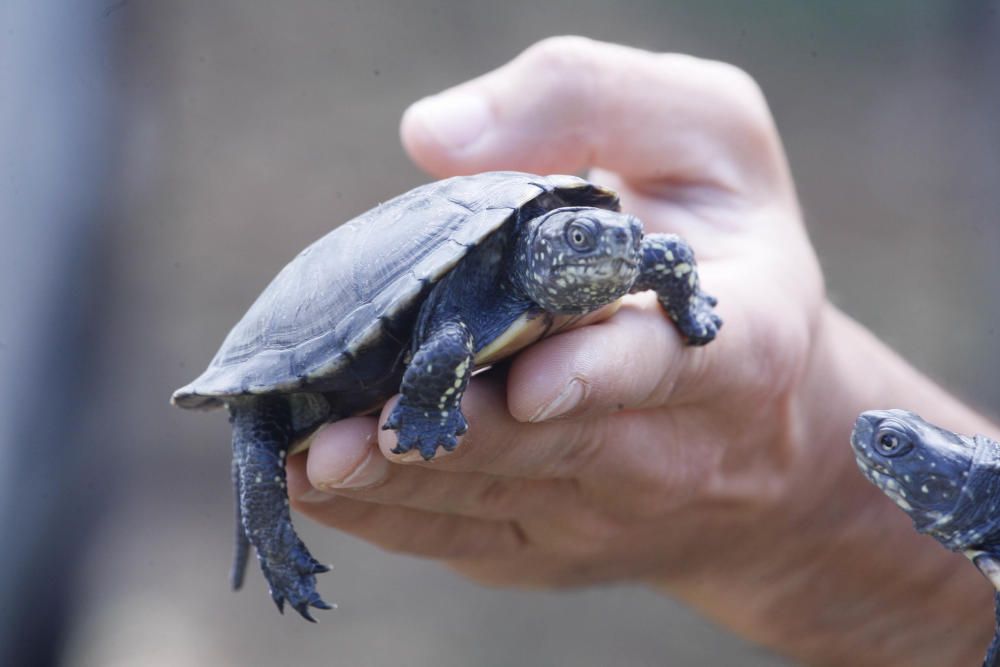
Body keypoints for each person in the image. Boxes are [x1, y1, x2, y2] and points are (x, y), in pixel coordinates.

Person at [285, 36, 996, 666]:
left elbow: (666, 257)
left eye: (617, 235)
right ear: (546, 244)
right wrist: (806, 478)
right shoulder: (485, 277)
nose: (621, 246)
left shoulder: (626, 256)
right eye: (585, 238)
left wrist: (694, 312)